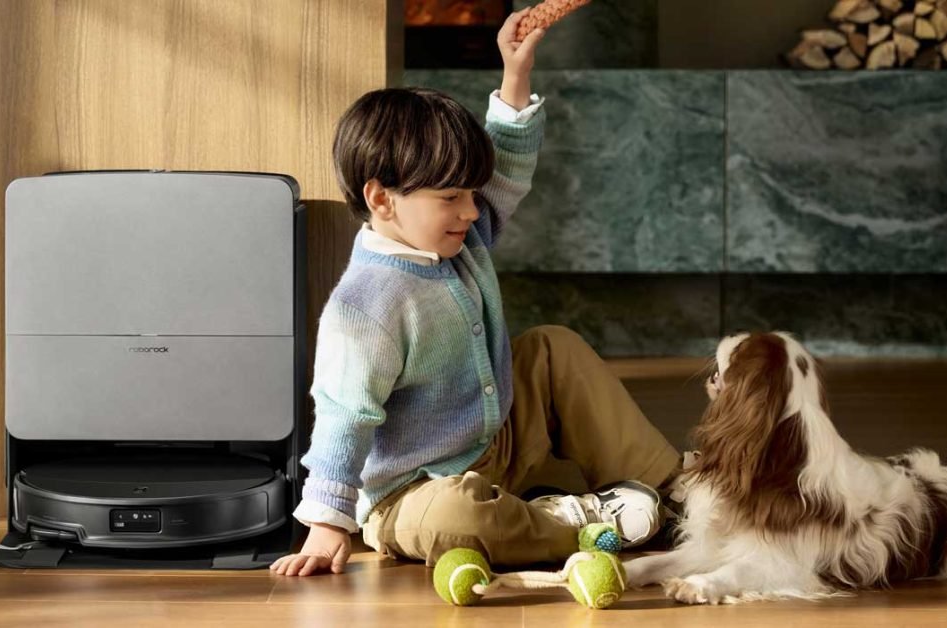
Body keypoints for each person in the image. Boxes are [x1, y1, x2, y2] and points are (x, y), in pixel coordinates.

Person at [271, 7, 682, 577]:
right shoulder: (365, 305)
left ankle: (675, 490)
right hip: (413, 493)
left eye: (471, 193)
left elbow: (505, 169)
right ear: (381, 198)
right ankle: (578, 521)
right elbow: (346, 415)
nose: (472, 210)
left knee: (553, 347)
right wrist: (326, 524)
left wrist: (516, 74)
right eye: (451, 198)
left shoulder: (458, 237)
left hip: (499, 444)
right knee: (455, 520)